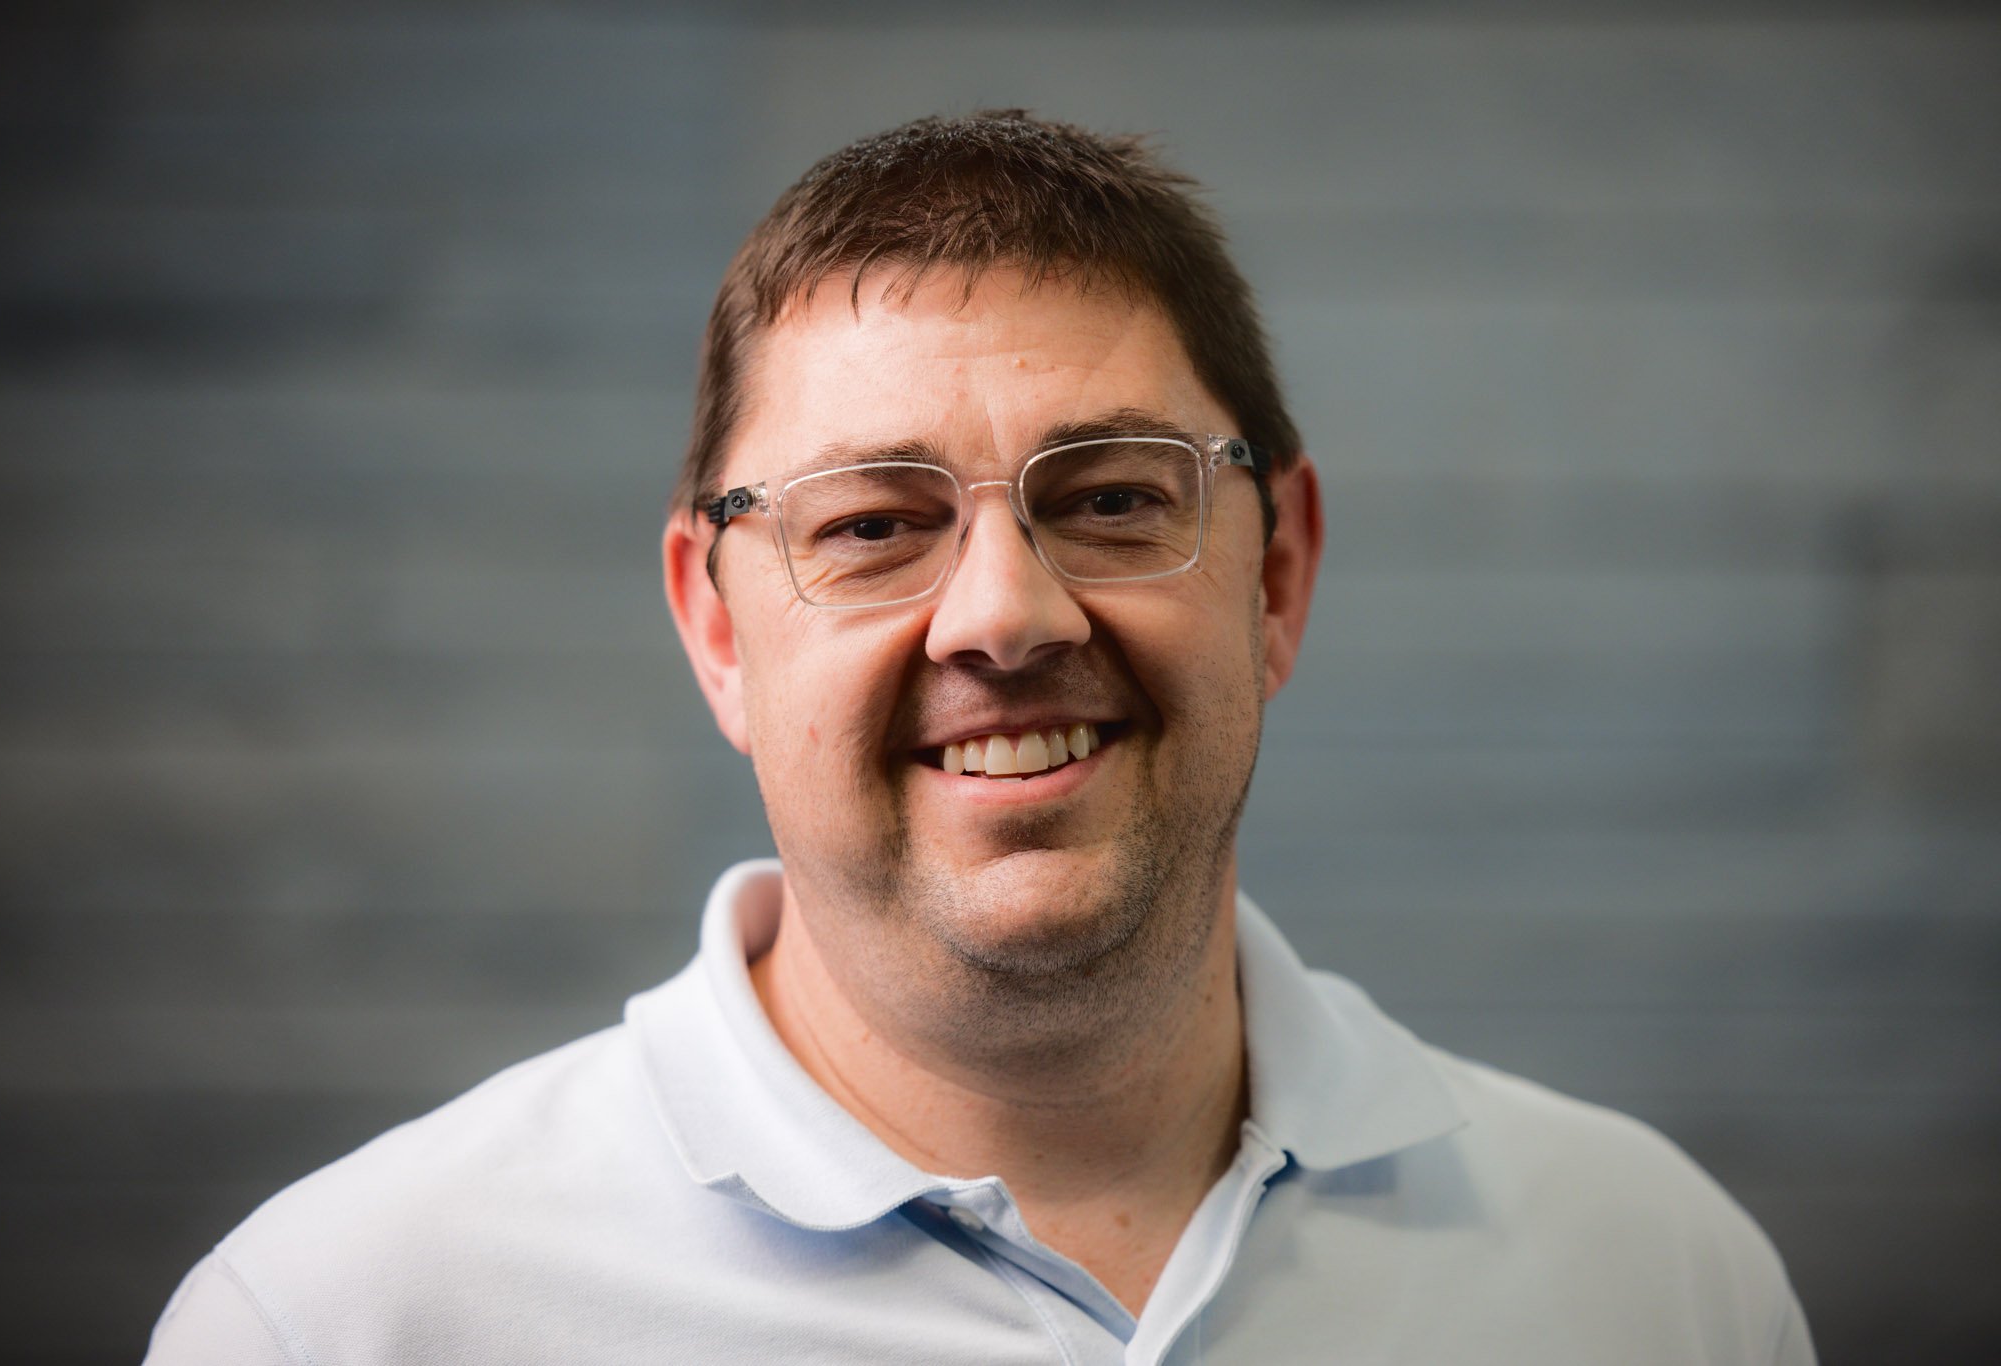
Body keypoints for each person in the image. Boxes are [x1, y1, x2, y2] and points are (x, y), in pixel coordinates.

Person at [146, 110, 1814, 1365]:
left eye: (1110, 498)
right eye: (873, 524)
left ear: (1279, 573)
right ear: (718, 625)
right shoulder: (342, 1322)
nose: (1005, 616)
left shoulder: (1658, 1278)